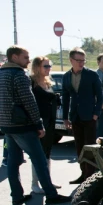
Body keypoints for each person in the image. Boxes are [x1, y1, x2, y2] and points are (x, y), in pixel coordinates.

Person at [0, 46, 69, 205]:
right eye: (25, 57)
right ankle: (51, 194)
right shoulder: (19, 75)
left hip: (7, 125)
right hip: (23, 125)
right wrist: (38, 124)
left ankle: (17, 195)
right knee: (40, 160)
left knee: (13, 161)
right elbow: (29, 102)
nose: (28, 61)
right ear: (14, 57)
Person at [62, 47, 103, 184]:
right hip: (75, 117)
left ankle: (89, 178)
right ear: (71, 60)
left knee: (90, 147)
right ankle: (83, 173)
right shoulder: (66, 76)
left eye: (83, 60)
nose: (81, 63)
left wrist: (96, 114)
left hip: (90, 117)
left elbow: (100, 96)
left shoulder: (91, 75)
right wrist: (65, 117)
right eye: (78, 60)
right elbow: (65, 97)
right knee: (79, 147)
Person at [29, 56, 61, 193]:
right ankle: (35, 184)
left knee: (47, 153)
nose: (49, 69)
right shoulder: (31, 83)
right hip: (38, 123)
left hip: (50, 122)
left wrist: (56, 99)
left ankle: (47, 182)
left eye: (50, 66)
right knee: (38, 154)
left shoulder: (48, 83)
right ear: (37, 67)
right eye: (46, 66)